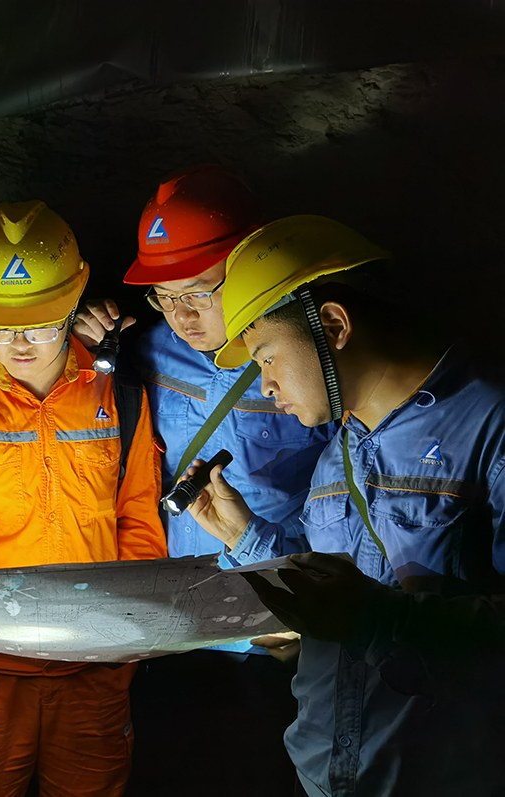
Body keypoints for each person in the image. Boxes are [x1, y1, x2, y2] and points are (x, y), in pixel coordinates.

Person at [187, 214, 505, 795]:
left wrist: (380, 619)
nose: (265, 386)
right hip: (326, 776)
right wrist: (247, 537)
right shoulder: (339, 452)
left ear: (332, 325)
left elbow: (368, 610)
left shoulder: (490, 426)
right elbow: (342, 590)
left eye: (265, 356)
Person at [73, 166, 332, 795]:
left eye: (200, 291)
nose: (183, 313)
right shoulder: (146, 349)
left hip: (268, 634)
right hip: (170, 628)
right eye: (164, 295)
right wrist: (79, 348)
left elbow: (346, 499)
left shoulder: (308, 361)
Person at [0, 200, 168, 797]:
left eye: (40, 323)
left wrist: (125, 625)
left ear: (72, 307)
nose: (18, 342)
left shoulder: (121, 401)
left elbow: (139, 519)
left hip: (94, 670)